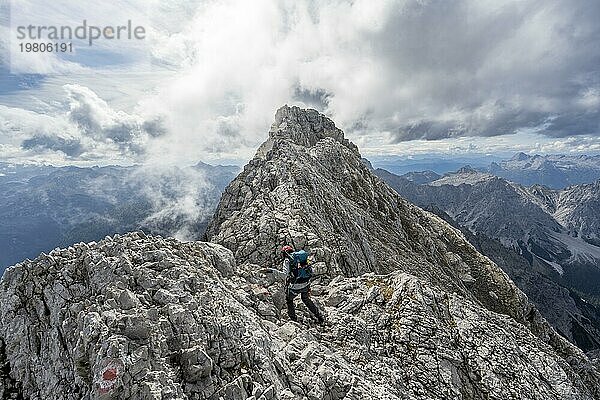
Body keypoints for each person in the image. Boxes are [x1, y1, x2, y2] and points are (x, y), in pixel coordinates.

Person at [262, 245, 324, 324]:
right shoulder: (301, 257)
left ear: (284, 253)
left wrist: (271, 270)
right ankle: (319, 317)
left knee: (289, 299)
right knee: (306, 300)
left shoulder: (288, 260)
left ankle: (293, 319)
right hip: (306, 284)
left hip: (295, 286)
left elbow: (284, 275)